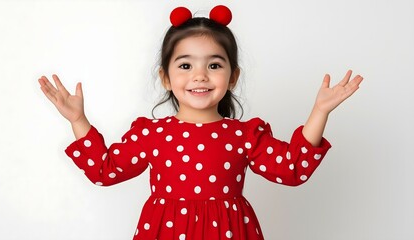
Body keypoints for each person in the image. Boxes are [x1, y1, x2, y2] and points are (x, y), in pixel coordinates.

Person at [38, 5, 363, 240]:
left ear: (232, 76)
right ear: (165, 77)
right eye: (185, 65)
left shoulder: (245, 135)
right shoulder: (152, 134)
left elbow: (292, 169)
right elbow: (104, 171)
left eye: (214, 65)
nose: (199, 76)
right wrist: (78, 120)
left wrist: (320, 111)